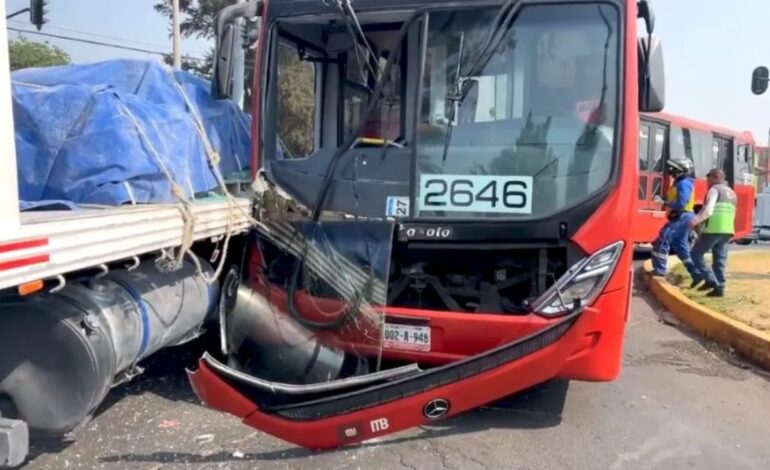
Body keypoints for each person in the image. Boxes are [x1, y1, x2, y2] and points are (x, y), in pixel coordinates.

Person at [688, 168, 737, 297]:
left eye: (708, 177)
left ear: (715, 177)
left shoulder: (714, 190)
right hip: (727, 230)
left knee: (695, 254)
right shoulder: (732, 193)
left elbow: (708, 210)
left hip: (713, 229)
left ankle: (710, 280)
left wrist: (695, 221)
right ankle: (719, 288)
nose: (706, 180)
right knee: (720, 260)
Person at [651, 159, 698, 278]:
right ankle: (696, 274)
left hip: (682, 216)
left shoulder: (683, 183)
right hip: (683, 216)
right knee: (680, 246)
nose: (671, 171)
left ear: (681, 171)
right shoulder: (681, 183)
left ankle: (659, 269)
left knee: (663, 238)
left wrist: (665, 202)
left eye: (674, 169)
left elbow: (681, 203)